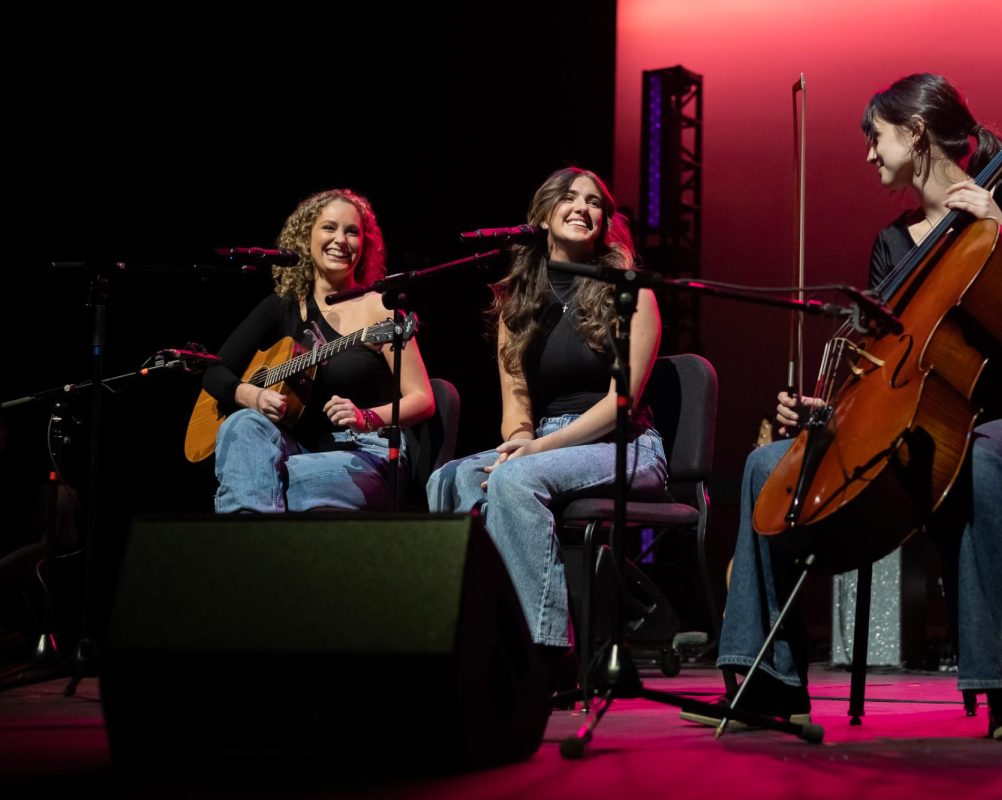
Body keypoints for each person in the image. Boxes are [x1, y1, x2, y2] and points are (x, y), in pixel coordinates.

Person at [697, 73, 1002, 741]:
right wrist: (824, 411)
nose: (868, 154)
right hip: (921, 424)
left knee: (983, 456)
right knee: (768, 465)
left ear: (915, 134)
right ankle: (771, 681)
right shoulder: (893, 242)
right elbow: (883, 359)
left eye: (875, 138)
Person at [426, 167, 668, 683]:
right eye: (569, 197)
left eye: (595, 202)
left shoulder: (629, 293)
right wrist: (520, 442)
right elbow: (516, 403)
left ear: (605, 221)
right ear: (542, 215)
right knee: (451, 478)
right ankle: (478, 636)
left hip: (626, 445)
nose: (583, 207)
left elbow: (621, 403)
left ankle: (547, 653)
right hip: (546, 443)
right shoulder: (519, 302)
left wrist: (538, 451)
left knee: (516, 478)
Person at [204, 189, 434, 513]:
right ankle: (250, 549)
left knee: (266, 478)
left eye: (352, 231)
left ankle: (247, 547)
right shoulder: (281, 308)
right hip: (297, 449)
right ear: (305, 237)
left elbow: (424, 399)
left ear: (364, 244)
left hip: (365, 453)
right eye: (329, 228)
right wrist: (251, 397)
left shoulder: (380, 311)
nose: (340, 239)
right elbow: (213, 370)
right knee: (240, 426)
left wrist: (366, 417)